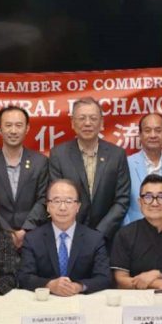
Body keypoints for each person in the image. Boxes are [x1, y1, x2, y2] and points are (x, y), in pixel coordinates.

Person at [46, 98, 130, 241]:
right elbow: (56, 198)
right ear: (72, 123)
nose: (87, 123)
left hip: (107, 237)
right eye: (82, 118)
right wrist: (76, 232)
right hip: (69, 236)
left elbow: (122, 199)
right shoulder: (58, 155)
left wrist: (100, 233)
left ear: (101, 123)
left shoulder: (117, 155)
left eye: (93, 118)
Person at [18, 179, 112, 295]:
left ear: (78, 206)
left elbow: (104, 278)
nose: (62, 207)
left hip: (80, 300)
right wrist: (50, 285)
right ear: (48, 206)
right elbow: (24, 277)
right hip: (46, 301)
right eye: (56, 201)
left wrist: (79, 286)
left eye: (69, 201)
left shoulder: (94, 239)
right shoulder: (32, 239)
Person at [0, 105, 49, 249]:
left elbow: (44, 198)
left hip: (34, 236)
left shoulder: (40, 162)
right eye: (8, 125)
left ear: (27, 128)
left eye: (19, 125)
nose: (13, 131)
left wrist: (25, 229)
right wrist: (8, 232)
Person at [123, 113, 162, 225]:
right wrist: (127, 230)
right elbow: (119, 203)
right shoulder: (126, 164)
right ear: (140, 135)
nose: (153, 135)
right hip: (134, 230)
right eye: (147, 130)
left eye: (158, 130)